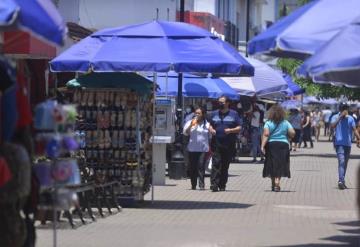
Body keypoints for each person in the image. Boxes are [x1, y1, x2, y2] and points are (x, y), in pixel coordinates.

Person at [209, 96, 241, 192]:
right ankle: (214, 184)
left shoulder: (234, 114)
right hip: (216, 143)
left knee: (225, 165)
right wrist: (211, 129)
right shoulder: (214, 113)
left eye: (222, 102)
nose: (220, 104)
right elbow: (209, 124)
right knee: (216, 163)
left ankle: (222, 184)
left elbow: (239, 127)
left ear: (227, 103)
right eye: (219, 102)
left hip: (229, 144)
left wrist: (231, 130)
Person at [261, 105, 295, 192]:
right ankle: (277, 182)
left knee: (272, 163)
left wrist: (262, 146)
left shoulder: (268, 123)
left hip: (272, 144)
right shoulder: (286, 122)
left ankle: (273, 183)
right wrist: (288, 136)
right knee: (280, 164)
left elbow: (266, 134)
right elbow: (292, 133)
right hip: (283, 144)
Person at [331, 103, 360, 190]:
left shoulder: (350, 118)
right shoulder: (335, 117)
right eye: (343, 108)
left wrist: (359, 138)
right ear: (340, 109)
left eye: (346, 108)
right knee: (342, 162)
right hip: (339, 144)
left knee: (345, 163)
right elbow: (332, 126)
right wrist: (340, 117)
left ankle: (342, 181)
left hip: (348, 144)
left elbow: (354, 130)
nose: (345, 110)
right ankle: (340, 181)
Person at [183, 107, 212, 190]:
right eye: (196, 113)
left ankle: (201, 185)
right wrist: (191, 125)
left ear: (203, 114)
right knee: (193, 167)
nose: (197, 115)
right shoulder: (190, 122)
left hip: (203, 149)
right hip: (192, 149)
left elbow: (210, 136)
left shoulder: (207, 124)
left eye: (199, 113)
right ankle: (193, 184)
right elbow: (185, 133)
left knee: (201, 166)